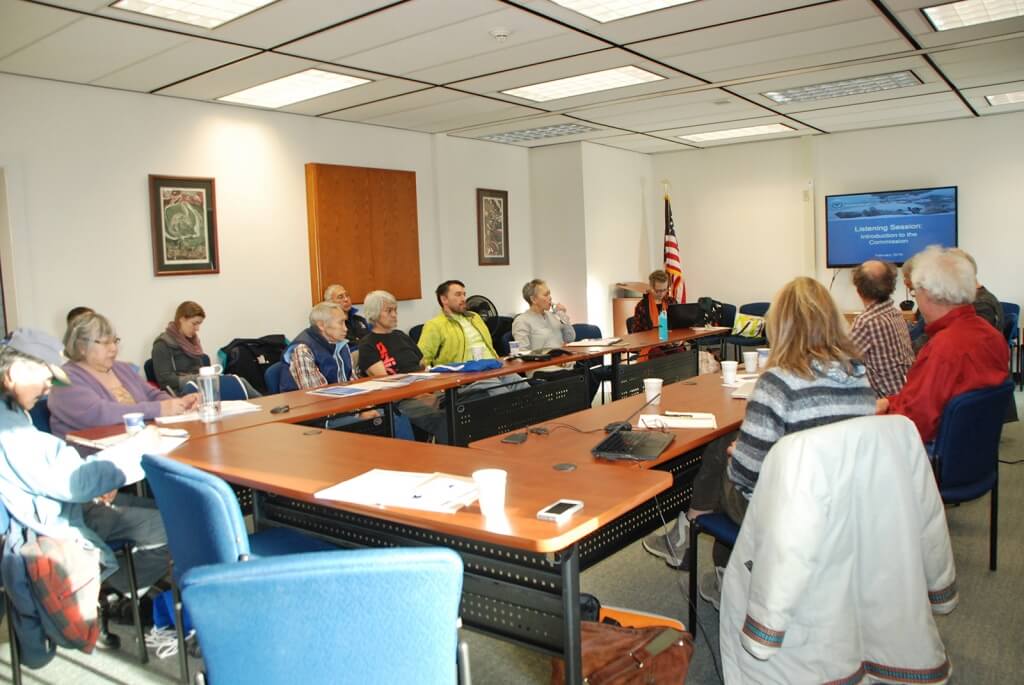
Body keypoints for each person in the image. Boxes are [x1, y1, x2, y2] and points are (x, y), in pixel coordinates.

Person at [642, 277, 876, 608]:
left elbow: (746, 479)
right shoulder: (858, 375)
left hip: (786, 509)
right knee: (727, 447)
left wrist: (739, 457)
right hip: (843, 500)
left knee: (724, 455)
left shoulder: (777, 384)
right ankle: (698, 542)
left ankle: (705, 548)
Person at [0, 331, 170, 601]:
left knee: (162, 508)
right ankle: (112, 594)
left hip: (56, 506)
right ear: (16, 373)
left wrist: (100, 478)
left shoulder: (13, 414)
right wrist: (137, 447)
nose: (48, 389)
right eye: (46, 379)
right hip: (55, 521)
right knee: (174, 522)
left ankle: (113, 591)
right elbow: (73, 484)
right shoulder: (10, 430)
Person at [878, 246, 1008, 443]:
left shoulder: (942, 349)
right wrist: (890, 401)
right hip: (971, 449)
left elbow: (915, 424)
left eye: (915, 292)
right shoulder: (991, 336)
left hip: (930, 450)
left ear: (929, 293)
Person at [47, 313, 198, 438]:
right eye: (105, 343)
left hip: (140, 445)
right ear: (81, 347)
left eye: (115, 341)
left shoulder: (121, 368)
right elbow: (101, 414)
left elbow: (152, 394)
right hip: (95, 460)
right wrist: (160, 409)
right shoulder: (64, 379)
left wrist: (179, 404)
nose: (113, 348)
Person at [358, 290, 447, 443]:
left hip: (425, 391)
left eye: (395, 310)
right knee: (444, 420)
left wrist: (434, 390)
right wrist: (419, 394)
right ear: (375, 314)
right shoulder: (368, 344)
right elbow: (386, 383)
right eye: (389, 311)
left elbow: (423, 367)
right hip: (400, 401)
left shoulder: (400, 336)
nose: (394, 315)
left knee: (466, 404)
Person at [150, 301, 261, 398]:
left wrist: (207, 376)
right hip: (182, 391)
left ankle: (264, 406)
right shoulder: (162, 344)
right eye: (194, 323)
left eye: (199, 324)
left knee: (239, 381)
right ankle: (264, 406)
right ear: (182, 319)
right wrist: (200, 378)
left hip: (201, 384)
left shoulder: (193, 341)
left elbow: (199, 369)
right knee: (236, 383)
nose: (197, 328)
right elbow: (166, 381)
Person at [849, 260, 914, 397]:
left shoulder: (866, 322)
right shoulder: (895, 313)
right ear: (891, 286)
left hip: (887, 403)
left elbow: (841, 360)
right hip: (907, 393)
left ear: (859, 290)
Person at [418, 280, 499, 366]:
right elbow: (422, 359)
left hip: (494, 365)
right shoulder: (434, 325)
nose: (464, 299)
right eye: (458, 294)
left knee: (513, 377)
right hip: (467, 373)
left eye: (464, 294)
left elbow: (490, 346)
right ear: (444, 299)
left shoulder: (475, 317)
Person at [280, 301, 356, 392]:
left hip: (342, 400)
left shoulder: (342, 345)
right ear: (321, 325)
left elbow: (353, 380)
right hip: (309, 404)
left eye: (345, 322)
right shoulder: (303, 349)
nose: (345, 328)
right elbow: (316, 393)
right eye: (341, 323)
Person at [512, 279, 576, 351]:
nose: (550, 298)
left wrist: (562, 315)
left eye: (549, 294)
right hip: (542, 361)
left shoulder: (554, 316)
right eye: (546, 295)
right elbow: (522, 352)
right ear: (533, 299)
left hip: (562, 359)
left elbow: (570, 339)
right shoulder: (521, 321)